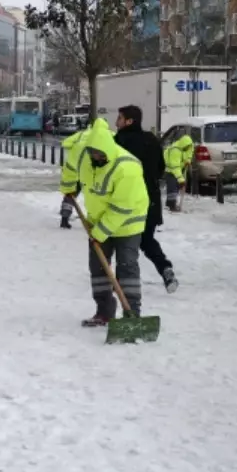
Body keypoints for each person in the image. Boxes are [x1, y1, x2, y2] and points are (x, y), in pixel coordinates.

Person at [77, 119, 149, 327]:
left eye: (100, 154)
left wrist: (99, 232)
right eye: (92, 153)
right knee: (98, 268)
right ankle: (104, 311)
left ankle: (132, 312)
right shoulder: (88, 159)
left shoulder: (127, 167)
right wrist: (69, 186)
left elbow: (122, 208)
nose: (95, 157)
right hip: (99, 222)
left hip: (128, 223)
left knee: (127, 267)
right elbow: (75, 169)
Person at [114, 105, 178, 293]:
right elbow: (160, 169)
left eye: (119, 118)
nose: (116, 122)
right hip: (151, 199)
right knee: (147, 240)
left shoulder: (119, 142)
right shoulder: (151, 140)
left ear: (129, 121)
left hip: (128, 199)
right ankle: (165, 268)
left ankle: (120, 280)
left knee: (123, 241)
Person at [58, 128, 90, 229]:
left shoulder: (80, 135)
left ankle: (64, 219)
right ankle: (94, 221)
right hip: (89, 171)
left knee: (70, 195)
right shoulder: (107, 134)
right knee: (94, 197)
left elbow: (65, 143)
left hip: (73, 170)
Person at [163, 132, 194, 212]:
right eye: (186, 146)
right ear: (183, 145)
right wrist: (181, 180)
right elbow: (175, 167)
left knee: (176, 187)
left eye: (188, 146)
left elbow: (189, 153)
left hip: (179, 168)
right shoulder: (175, 151)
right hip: (170, 171)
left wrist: (188, 160)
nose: (188, 148)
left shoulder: (188, 146)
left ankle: (172, 203)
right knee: (172, 188)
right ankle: (171, 205)